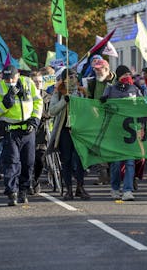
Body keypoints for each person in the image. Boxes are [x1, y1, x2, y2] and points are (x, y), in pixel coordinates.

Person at [0, 65, 42, 206]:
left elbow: (38, 101)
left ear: (17, 75)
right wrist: (6, 102)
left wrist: (35, 120)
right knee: (12, 162)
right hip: (10, 131)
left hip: (28, 130)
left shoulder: (28, 82)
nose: (9, 81)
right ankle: (11, 192)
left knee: (28, 162)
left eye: (12, 78)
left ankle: (23, 191)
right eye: (6, 79)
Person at [101, 65, 142, 201]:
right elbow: (102, 105)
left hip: (131, 131)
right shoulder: (110, 89)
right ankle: (115, 188)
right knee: (117, 163)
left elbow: (144, 104)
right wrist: (103, 101)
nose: (127, 77)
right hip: (115, 131)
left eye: (129, 74)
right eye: (124, 75)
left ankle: (128, 190)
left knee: (130, 162)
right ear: (118, 77)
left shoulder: (135, 89)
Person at [48, 68, 90, 201]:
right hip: (64, 131)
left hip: (79, 131)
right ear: (64, 79)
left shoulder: (82, 92)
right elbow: (52, 111)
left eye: (74, 76)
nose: (73, 79)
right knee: (66, 160)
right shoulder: (58, 93)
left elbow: (89, 109)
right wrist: (64, 101)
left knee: (80, 160)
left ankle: (80, 187)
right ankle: (69, 190)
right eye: (69, 76)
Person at [86, 58, 117, 185]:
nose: (97, 72)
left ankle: (114, 174)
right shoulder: (92, 83)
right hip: (98, 120)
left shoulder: (117, 81)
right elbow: (89, 100)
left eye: (99, 69)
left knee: (113, 147)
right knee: (99, 146)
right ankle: (103, 173)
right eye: (95, 69)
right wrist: (92, 110)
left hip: (115, 120)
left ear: (106, 69)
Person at [29, 71, 52, 194]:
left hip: (43, 132)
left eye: (40, 82)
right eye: (35, 82)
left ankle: (36, 179)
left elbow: (51, 112)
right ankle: (28, 181)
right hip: (29, 131)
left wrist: (43, 115)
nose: (38, 84)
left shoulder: (48, 97)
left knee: (40, 159)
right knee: (28, 160)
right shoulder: (26, 97)